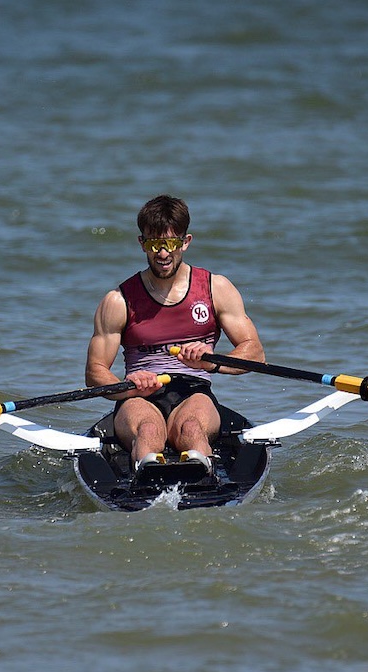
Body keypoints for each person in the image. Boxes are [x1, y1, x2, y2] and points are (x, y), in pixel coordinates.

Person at [85, 194, 264, 471]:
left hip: (194, 392)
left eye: (170, 243)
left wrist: (212, 363)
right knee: (148, 430)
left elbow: (255, 354)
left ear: (185, 242)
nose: (163, 254)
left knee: (191, 428)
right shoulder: (118, 301)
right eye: (154, 244)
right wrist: (127, 386)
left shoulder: (216, 288)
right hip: (139, 396)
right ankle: (146, 474)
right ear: (142, 243)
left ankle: (203, 475)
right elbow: (95, 373)